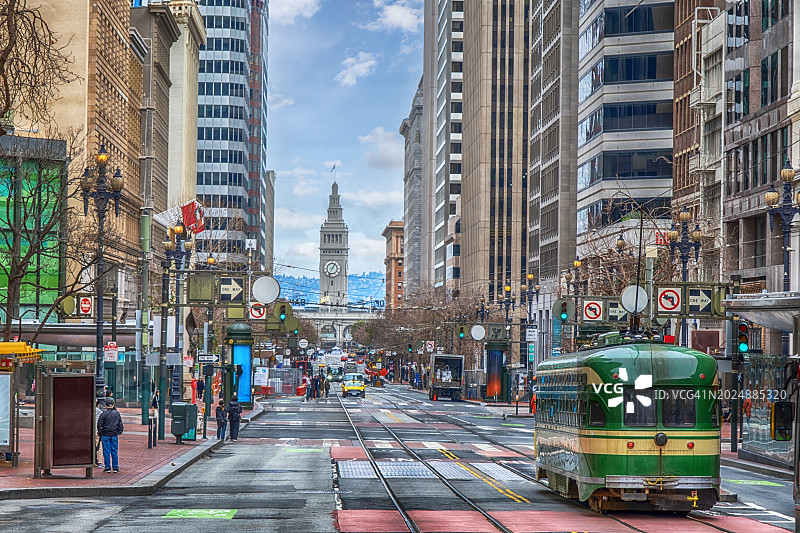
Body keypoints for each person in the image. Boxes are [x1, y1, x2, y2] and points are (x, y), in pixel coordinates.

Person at [97, 398, 124, 473]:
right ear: (113, 405)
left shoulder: (103, 414)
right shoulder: (117, 413)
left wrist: (100, 433)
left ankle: (107, 467)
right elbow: (120, 424)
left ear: (106, 405)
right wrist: (119, 432)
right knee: (114, 451)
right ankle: (115, 467)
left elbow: (100, 425)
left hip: (105, 434)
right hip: (114, 434)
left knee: (106, 451)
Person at [94, 398, 104, 466]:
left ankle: (93, 460)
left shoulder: (89, 410)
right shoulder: (100, 412)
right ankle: (99, 462)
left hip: (90, 432)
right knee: (99, 446)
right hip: (97, 432)